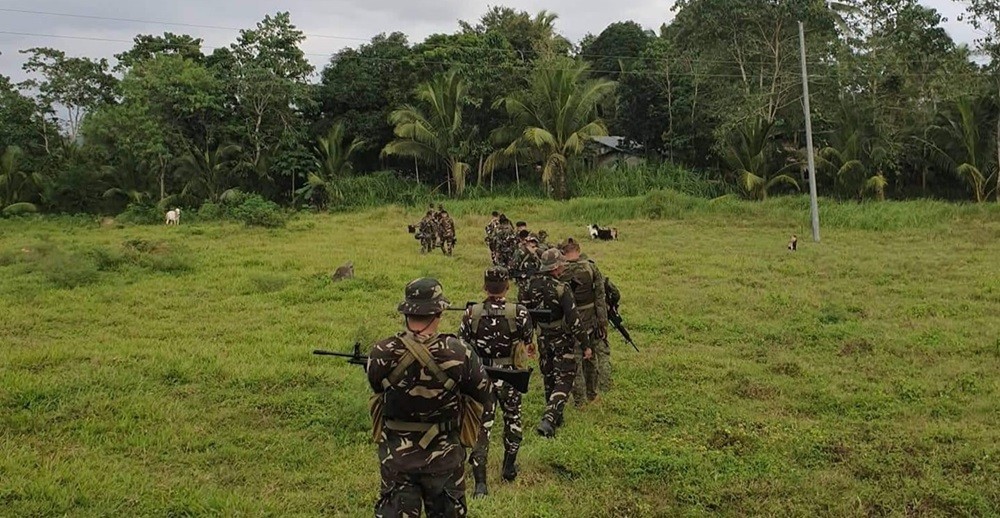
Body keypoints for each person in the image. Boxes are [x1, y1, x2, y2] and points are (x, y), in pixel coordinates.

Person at [367, 278, 494, 518]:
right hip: (444, 461)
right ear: (438, 312)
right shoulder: (459, 352)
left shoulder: (381, 351)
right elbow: (484, 392)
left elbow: (376, 387)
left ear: (406, 312)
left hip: (397, 461)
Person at [459, 267, 534, 497]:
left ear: (484, 287)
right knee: (513, 420)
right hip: (510, 375)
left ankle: (480, 484)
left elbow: (462, 344)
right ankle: (509, 468)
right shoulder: (519, 312)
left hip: (481, 376)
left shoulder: (471, 313)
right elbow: (528, 342)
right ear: (507, 286)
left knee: (482, 428)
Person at [518, 249, 591, 438]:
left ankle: (556, 416)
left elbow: (525, 316)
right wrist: (586, 345)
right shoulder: (561, 288)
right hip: (561, 337)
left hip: (542, 337)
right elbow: (574, 320)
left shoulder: (527, 286)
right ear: (556, 267)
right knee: (565, 377)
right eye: (562, 264)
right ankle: (549, 418)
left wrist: (528, 341)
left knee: (548, 374)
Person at [559, 238, 609, 404]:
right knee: (591, 358)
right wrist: (603, 321)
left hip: (568, 321)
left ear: (563, 252)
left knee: (574, 361)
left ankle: (579, 401)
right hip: (590, 320)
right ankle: (592, 394)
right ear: (578, 250)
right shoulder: (590, 267)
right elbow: (600, 297)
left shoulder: (559, 271)